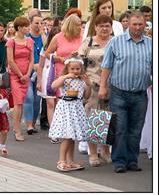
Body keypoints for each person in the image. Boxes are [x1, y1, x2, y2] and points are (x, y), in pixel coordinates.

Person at [99, 11, 152, 173]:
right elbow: (106, 66)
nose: (137, 27)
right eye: (134, 24)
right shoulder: (116, 42)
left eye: (140, 24)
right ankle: (119, 161)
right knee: (120, 128)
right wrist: (103, 86)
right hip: (119, 93)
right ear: (127, 24)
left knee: (136, 129)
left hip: (140, 94)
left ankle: (132, 160)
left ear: (145, 25)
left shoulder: (151, 44)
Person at [76, 14, 114, 164]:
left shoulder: (115, 42)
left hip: (112, 85)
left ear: (111, 28)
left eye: (107, 26)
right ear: (95, 27)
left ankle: (105, 150)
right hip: (92, 86)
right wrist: (83, 80)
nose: (104, 28)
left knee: (108, 119)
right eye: (101, 26)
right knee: (93, 118)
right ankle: (93, 153)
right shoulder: (88, 42)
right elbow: (78, 62)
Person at [40, 13, 83, 141]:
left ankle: (72, 129)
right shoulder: (58, 37)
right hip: (61, 72)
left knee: (76, 101)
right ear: (71, 26)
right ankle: (58, 130)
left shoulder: (81, 38)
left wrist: (78, 55)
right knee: (61, 102)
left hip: (77, 73)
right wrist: (58, 58)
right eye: (78, 25)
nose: (80, 28)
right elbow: (47, 53)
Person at [49, 57, 91, 172]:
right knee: (67, 135)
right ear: (67, 68)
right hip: (66, 107)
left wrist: (88, 84)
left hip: (76, 108)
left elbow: (86, 96)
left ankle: (70, 161)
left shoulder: (82, 81)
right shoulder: (65, 79)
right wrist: (66, 76)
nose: (75, 71)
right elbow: (53, 86)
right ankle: (61, 160)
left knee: (72, 136)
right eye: (72, 69)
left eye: (77, 69)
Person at [6, 16, 34, 142]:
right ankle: (17, 129)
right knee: (17, 102)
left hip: (26, 75)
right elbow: (10, 60)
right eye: (26, 26)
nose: (28, 28)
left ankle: (17, 127)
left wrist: (27, 74)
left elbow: (32, 59)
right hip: (15, 75)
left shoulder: (29, 41)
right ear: (19, 28)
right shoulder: (11, 42)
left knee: (22, 102)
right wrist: (20, 75)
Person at [24, 13, 46, 135]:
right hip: (28, 71)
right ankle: (28, 125)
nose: (39, 25)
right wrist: (32, 66)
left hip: (40, 73)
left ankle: (32, 122)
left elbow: (47, 49)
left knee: (37, 100)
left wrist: (43, 33)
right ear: (31, 23)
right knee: (29, 97)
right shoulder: (26, 37)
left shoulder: (44, 36)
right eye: (36, 23)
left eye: (41, 23)